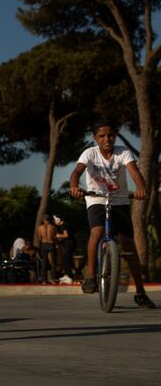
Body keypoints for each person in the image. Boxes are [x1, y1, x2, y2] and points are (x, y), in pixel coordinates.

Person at [70, 121, 155, 308]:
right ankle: (91, 276)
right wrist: (74, 186)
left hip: (120, 200)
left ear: (114, 136)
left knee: (128, 246)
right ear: (95, 138)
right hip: (96, 199)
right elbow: (76, 171)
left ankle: (140, 293)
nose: (106, 139)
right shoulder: (89, 153)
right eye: (102, 136)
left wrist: (141, 188)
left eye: (110, 135)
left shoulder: (123, 152)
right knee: (97, 232)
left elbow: (134, 171)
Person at [53, 215, 76, 284]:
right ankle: (67, 275)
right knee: (65, 259)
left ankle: (69, 277)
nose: (54, 221)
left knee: (66, 259)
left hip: (69, 244)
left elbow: (66, 235)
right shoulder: (66, 225)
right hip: (70, 243)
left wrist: (58, 236)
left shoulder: (63, 226)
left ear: (58, 220)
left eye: (55, 220)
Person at [37, 214, 58, 283]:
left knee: (44, 262)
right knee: (53, 262)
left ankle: (44, 280)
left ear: (43, 220)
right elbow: (55, 236)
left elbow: (39, 238)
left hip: (44, 244)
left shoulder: (40, 228)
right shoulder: (53, 227)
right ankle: (53, 278)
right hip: (51, 244)